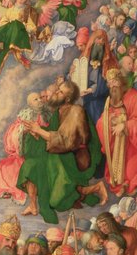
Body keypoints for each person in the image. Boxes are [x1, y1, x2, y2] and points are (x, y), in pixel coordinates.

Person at [18, 78, 103, 222]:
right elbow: (51, 133)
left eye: (60, 92)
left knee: (56, 201)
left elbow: (65, 141)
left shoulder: (76, 111)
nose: (56, 93)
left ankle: (92, 189)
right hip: (59, 154)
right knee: (30, 165)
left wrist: (39, 131)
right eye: (57, 90)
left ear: (68, 98)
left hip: (75, 157)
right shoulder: (58, 112)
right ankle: (33, 205)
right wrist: (35, 132)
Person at [97, 68, 137, 195]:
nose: (113, 86)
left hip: (134, 145)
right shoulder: (112, 100)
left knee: (131, 175)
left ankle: (127, 183)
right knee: (116, 177)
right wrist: (109, 121)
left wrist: (124, 125)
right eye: (110, 83)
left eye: (115, 82)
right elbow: (101, 121)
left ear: (121, 81)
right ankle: (123, 184)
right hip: (118, 145)